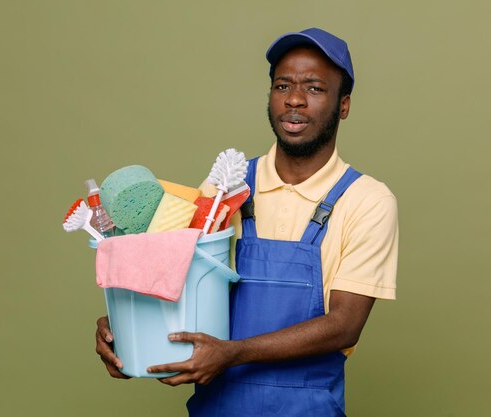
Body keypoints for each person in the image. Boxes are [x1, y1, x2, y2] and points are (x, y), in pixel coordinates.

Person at [95, 27, 398, 416]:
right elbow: (178, 287)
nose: (294, 99)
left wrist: (232, 353)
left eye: (315, 88)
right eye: (282, 85)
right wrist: (125, 326)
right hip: (217, 406)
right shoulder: (224, 191)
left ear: (344, 105)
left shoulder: (367, 201)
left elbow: (344, 325)